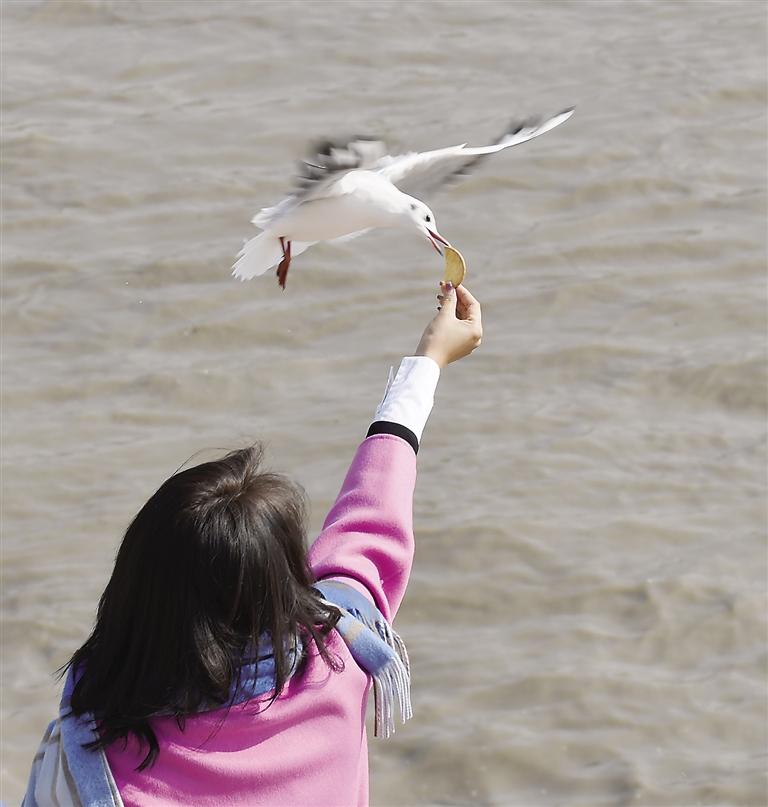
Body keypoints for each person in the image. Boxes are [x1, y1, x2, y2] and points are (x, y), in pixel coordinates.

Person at [24, 281, 483, 807]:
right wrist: (429, 360)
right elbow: (373, 517)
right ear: (286, 583)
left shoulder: (95, 759)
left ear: (135, 585)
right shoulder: (339, 659)